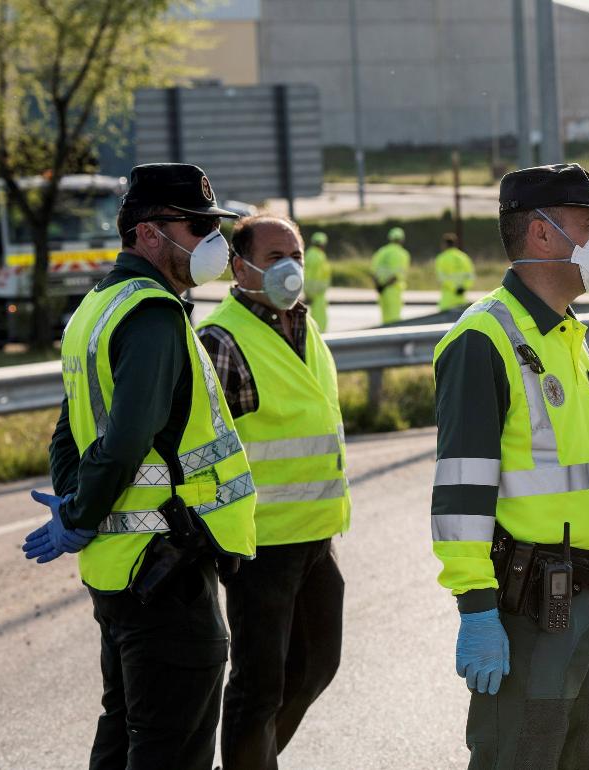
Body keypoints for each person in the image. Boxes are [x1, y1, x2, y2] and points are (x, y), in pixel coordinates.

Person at [23, 163, 257, 769]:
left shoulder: (97, 305)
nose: (213, 239)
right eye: (199, 224)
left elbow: (67, 431)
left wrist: (77, 508)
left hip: (120, 570)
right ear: (149, 232)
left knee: (126, 732)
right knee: (167, 749)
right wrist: (78, 509)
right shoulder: (152, 314)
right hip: (165, 574)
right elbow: (125, 441)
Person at [430, 163, 589, 769]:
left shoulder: (569, 337)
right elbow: (461, 490)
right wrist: (475, 609)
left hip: (588, 602)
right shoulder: (484, 339)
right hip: (526, 613)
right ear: (543, 235)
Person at [196, 215, 350, 770]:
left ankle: (248, 761)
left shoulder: (305, 326)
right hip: (260, 545)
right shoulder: (221, 339)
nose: (289, 268)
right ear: (240, 266)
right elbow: (199, 449)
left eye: (297, 256)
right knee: (258, 685)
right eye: (275, 256)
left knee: (316, 666)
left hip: (315, 536)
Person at [371, 226, 410, 324]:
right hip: (394, 290)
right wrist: (385, 285)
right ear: (402, 240)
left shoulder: (381, 252)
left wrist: (379, 286)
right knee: (394, 320)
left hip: (382, 290)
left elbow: (374, 270)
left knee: (385, 319)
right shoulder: (402, 254)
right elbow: (398, 275)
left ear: (390, 238)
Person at [435, 232, 475, 312]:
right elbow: (470, 276)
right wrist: (463, 288)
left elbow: (442, 278)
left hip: (447, 301)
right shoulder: (464, 257)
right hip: (462, 300)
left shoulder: (441, 258)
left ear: (444, 244)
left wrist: (454, 288)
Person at [304, 231, 331, 332]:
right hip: (317, 292)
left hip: (314, 291)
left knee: (316, 314)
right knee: (319, 315)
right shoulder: (319, 256)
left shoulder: (309, 254)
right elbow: (316, 276)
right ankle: (320, 334)